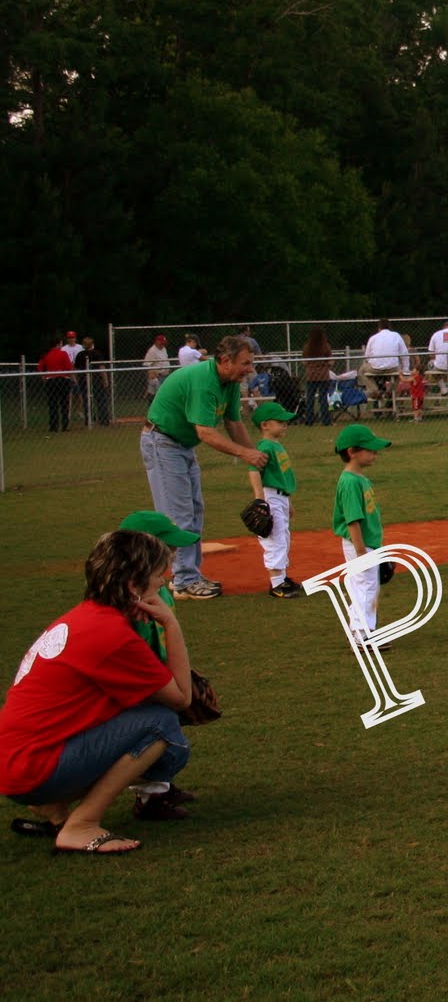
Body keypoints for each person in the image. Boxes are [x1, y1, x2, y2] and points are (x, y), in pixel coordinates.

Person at [0, 529, 193, 854]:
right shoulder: (111, 634)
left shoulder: (85, 617)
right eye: (158, 577)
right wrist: (171, 624)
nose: (163, 582)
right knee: (161, 724)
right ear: (134, 587)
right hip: (32, 768)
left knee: (147, 719)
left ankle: (56, 811)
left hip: (16, 763)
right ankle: (82, 824)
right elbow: (182, 698)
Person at [141, 334, 269, 599]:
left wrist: (254, 456)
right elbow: (206, 433)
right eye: (245, 363)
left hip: (181, 445)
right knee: (179, 515)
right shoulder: (204, 382)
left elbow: (234, 423)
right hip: (162, 441)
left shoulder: (229, 383)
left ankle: (189, 575)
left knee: (195, 510)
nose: (249, 369)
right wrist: (245, 454)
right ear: (225, 360)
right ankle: (182, 580)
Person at [115, 511, 202, 820]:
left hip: (162, 672)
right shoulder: (127, 601)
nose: (176, 552)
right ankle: (149, 799)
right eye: (169, 547)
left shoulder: (159, 588)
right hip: (141, 683)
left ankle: (162, 786)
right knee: (163, 737)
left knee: (173, 722)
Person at [332, 423, 391, 645]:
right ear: (352, 452)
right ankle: (360, 634)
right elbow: (352, 521)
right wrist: (361, 552)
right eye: (370, 449)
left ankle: (365, 630)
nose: (375, 453)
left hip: (368, 543)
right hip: (359, 544)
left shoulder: (360, 479)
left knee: (368, 587)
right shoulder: (349, 482)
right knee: (364, 587)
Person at [245, 401, 304, 597]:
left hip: (280, 497)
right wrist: (260, 499)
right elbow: (253, 470)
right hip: (270, 495)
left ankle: (282, 578)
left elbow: (282, 479)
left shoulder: (275, 445)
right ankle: (277, 584)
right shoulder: (265, 446)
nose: (285, 425)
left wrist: (289, 502)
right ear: (265, 425)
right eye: (280, 422)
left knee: (283, 537)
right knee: (275, 538)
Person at [38, 335, 74, 434]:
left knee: (52, 403)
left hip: (51, 380)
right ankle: (65, 425)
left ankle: (53, 426)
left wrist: (45, 379)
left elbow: (40, 368)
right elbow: (68, 368)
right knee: (64, 403)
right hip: (63, 380)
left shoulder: (46, 355)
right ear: (58, 344)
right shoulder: (63, 353)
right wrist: (72, 379)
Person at [302, 326, 335, 426]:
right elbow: (331, 361)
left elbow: (304, 362)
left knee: (310, 398)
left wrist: (311, 365)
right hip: (323, 375)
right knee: (324, 398)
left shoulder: (307, 347)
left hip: (311, 375)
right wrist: (325, 364)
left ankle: (309, 420)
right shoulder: (326, 346)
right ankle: (326, 420)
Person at [143, 334, 172, 401]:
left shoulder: (163, 348)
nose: (162, 344)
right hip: (158, 376)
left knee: (165, 395)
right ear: (156, 341)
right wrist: (151, 374)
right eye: (161, 342)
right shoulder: (152, 351)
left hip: (166, 375)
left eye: (164, 343)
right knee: (156, 396)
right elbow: (147, 365)